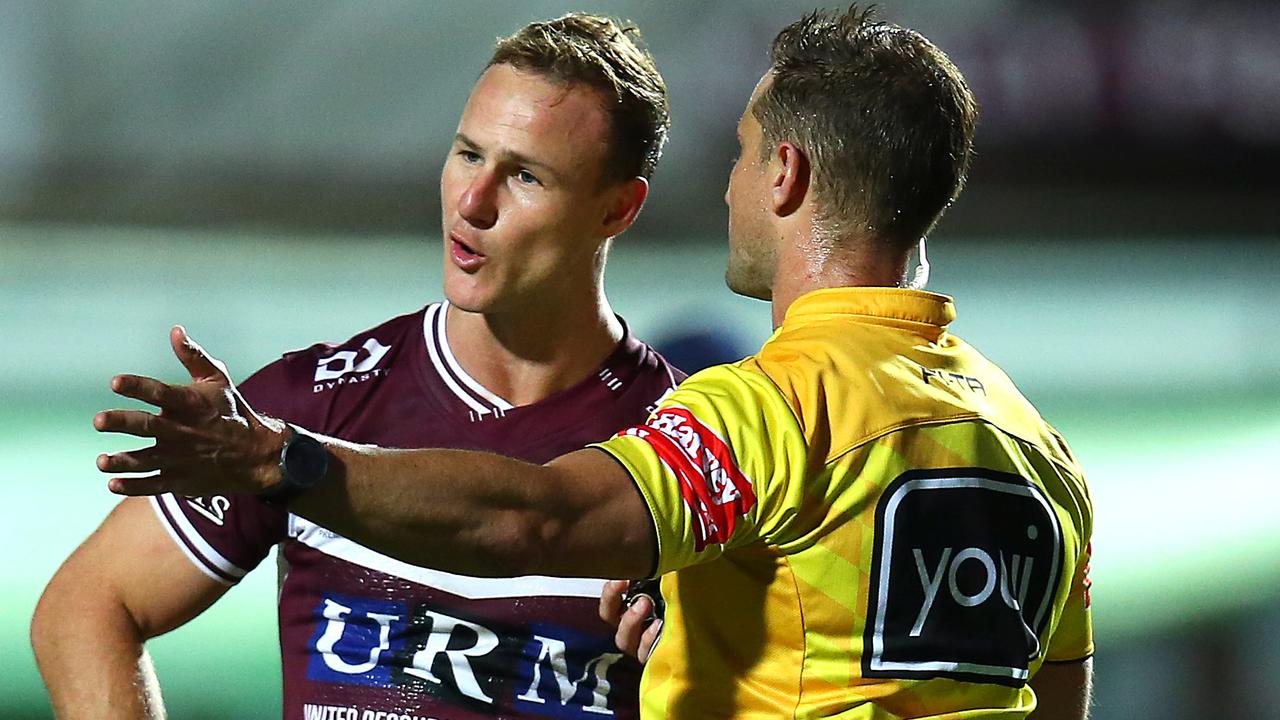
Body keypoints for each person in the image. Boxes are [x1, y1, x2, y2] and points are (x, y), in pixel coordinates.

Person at [88, 7, 1095, 719]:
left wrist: (285, 464)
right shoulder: (1042, 457)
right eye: (466, 153)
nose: (731, 183)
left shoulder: (756, 415)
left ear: (783, 174)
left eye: (742, 152)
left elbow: (535, 515)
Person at [31, 13, 684, 720]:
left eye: (524, 175)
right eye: (467, 155)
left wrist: (697, 667)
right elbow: (88, 607)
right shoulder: (312, 408)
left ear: (618, 208)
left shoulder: (686, 448)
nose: (472, 203)